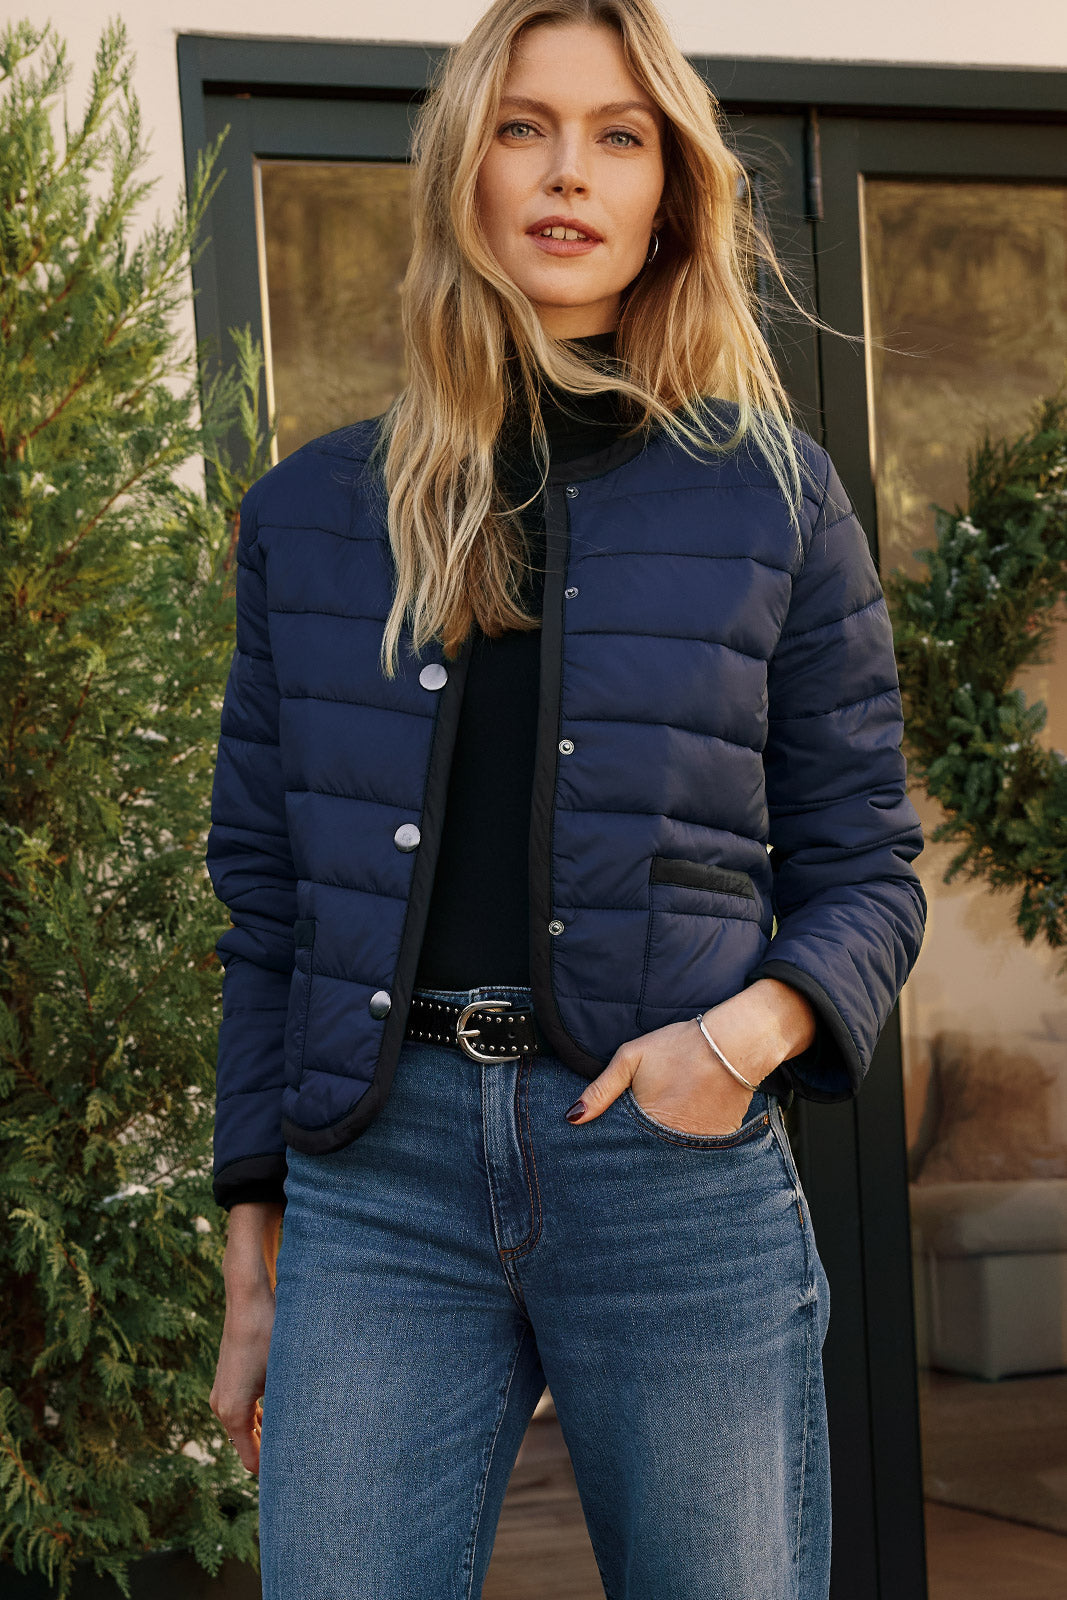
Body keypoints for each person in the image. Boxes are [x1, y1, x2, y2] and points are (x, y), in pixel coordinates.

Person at [206, 2, 926, 1596]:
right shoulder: (313, 515)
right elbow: (268, 906)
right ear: (462, 166)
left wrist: (737, 1044)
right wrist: (253, 1255)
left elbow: (870, 870)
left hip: (667, 1167)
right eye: (523, 127)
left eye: (619, 136)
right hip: (376, 1186)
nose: (567, 172)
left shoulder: (775, 499)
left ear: (671, 191)